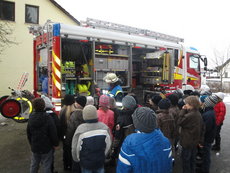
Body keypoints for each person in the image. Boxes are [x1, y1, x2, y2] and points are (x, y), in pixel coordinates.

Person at [116, 107, 172, 173]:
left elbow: (123, 169)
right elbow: (168, 167)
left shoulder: (129, 143)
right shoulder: (165, 142)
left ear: (137, 124)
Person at [72, 105, 112, 173]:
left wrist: (77, 159)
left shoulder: (80, 129)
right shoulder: (104, 127)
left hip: (86, 162)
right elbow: (109, 144)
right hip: (100, 161)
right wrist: (104, 154)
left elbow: (75, 147)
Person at [27, 98, 59, 173]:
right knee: (47, 165)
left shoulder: (31, 117)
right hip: (47, 146)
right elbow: (53, 132)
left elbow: (28, 132)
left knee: (34, 164)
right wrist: (56, 143)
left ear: (34, 106)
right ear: (44, 106)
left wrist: (31, 143)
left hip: (35, 146)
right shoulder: (48, 118)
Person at [177, 96, 203, 173]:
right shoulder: (197, 113)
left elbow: (179, 122)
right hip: (194, 141)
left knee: (186, 161)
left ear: (191, 105)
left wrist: (183, 110)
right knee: (192, 160)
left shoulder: (190, 115)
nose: (185, 105)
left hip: (187, 141)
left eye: (187, 104)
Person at [66, 95, 87, 172]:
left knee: (75, 161)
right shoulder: (86, 114)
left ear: (78, 104)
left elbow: (70, 131)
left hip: (75, 142)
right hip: (85, 143)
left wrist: (68, 142)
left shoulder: (73, 115)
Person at [199, 95, 218, 173]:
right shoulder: (208, 112)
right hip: (208, 137)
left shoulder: (209, 115)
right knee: (206, 153)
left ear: (208, 103)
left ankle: (205, 170)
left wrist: (201, 141)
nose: (203, 103)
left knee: (206, 154)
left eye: (204, 102)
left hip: (207, 138)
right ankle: (204, 168)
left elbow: (205, 129)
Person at [59, 94, 76, 170]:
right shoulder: (73, 112)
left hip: (64, 136)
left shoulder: (62, 111)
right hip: (72, 136)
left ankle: (66, 166)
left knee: (65, 151)